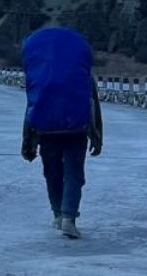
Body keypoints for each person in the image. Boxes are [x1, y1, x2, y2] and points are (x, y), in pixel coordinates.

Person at [18, 26, 103, 239]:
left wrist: (28, 141)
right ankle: (69, 218)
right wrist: (97, 136)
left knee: (52, 172)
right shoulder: (82, 76)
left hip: (46, 130)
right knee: (74, 173)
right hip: (76, 129)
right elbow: (93, 105)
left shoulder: (39, 77)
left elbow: (31, 106)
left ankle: (57, 214)